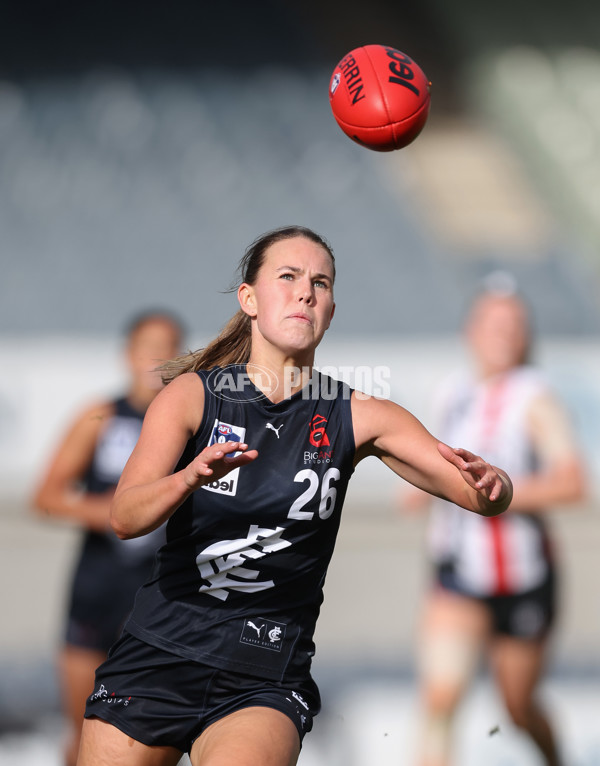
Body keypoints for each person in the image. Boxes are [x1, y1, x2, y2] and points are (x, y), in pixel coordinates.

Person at [76, 226, 512, 766]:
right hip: (159, 653)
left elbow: (479, 495)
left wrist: (496, 485)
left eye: (320, 283)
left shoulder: (360, 414)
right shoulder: (193, 396)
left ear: (330, 311)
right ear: (250, 300)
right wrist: (187, 478)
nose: (306, 291)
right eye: (288, 277)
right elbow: (124, 516)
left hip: (262, 672)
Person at [407, 278, 586, 766]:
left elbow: (572, 482)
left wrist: (495, 495)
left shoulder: (534, 396)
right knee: (440, 701)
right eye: (495, 323)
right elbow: (432, 468)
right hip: (458, 572)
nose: (504, 334)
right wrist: (422, 490)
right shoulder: (451, 392)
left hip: (523, 578)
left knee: (517, 707)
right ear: (473, 329)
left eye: (515, 325)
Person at [32, 311, 184, 766]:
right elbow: (46, 495)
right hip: (97, 588)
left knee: (144, 732)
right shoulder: (100, 417)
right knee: (81, 732)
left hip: (156, 593)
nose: (159, 357)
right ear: (128, 354)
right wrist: (108, 511)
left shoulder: (192, 424)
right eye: (149, 346)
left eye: (170, 347)